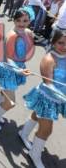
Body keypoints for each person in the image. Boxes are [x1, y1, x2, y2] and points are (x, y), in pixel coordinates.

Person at [19, 29, 66, 168]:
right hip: (48, 98)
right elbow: (49, 85)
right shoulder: (49, 59)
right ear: (53, 42)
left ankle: (23, 133)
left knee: (36, 116)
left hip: (59, 98)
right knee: (46, 130)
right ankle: (34, 154)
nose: (64, 46)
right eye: (61, 43)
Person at [0, 8, 33, 130]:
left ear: (29, 21)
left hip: (17, 67)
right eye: (18, 20)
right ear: (14, 21)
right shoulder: (11, 35)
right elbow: (7, 57)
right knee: (10, 102)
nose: (22, 23)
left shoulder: (28, 32)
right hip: (8, 70)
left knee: (3, 92)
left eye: (25, 21)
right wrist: (18, 70)